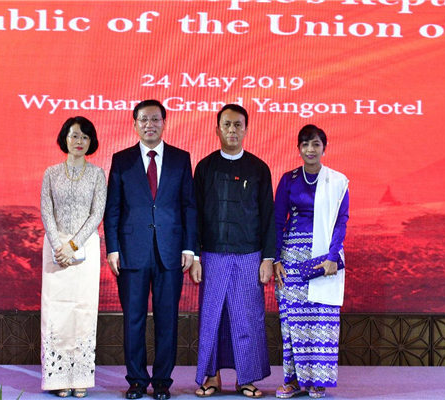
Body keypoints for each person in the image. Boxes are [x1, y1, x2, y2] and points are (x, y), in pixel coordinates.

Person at [103, 100, 197, 400]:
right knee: (134, 319)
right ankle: (136, 381)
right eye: (143, 119)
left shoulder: (181, 159)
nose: (149, 125)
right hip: (132, 251)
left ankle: (162, 382)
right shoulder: (122, 160)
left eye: (155, 119)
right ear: (134, 124)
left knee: (167, 319)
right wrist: (113, 248)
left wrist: (189, 248)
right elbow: (113, 208)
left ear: (164, 123)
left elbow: (188, 206)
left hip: (171, 251)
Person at [190, 104, 275, 398]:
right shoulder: (205, 167)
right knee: (212, 317)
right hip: (212, 255)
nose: (232, 130)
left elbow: (268, 217)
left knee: (246, 316)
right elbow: (195, 215)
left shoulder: (258, 168)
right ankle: (211, 377)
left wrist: (267, 258)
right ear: (217, 130)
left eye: (238, 125)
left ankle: (246, 378)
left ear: (246, 130)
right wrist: (196, 256)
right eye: (226, 125)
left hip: (249, 255)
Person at [273, 124, 349, 399]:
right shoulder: (289, 179)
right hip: (292, 258)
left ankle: (318, 381)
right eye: (305, 144)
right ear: (298, 148)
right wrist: (276, 259)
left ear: (324, 148)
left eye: (316, 144)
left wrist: (332, 257)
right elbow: (278, 220)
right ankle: (292, 380)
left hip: (325, 259)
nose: (310, 149)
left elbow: (341, 221)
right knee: (293, 321)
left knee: (321, 318)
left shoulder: (337, 181)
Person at [40, 116, 107, 398]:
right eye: (74, 135)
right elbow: (46, 211)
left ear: (91, 142)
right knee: (56, 311)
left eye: (85, 137)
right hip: (55, 251)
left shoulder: (98, 174)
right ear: (64, 139)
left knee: (83, 310)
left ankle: (80, 375)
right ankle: (57, 377)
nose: (79, 141)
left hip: (85, 250)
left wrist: (73, 246)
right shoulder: (51, 173)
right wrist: (60, 246)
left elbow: (97, 214)